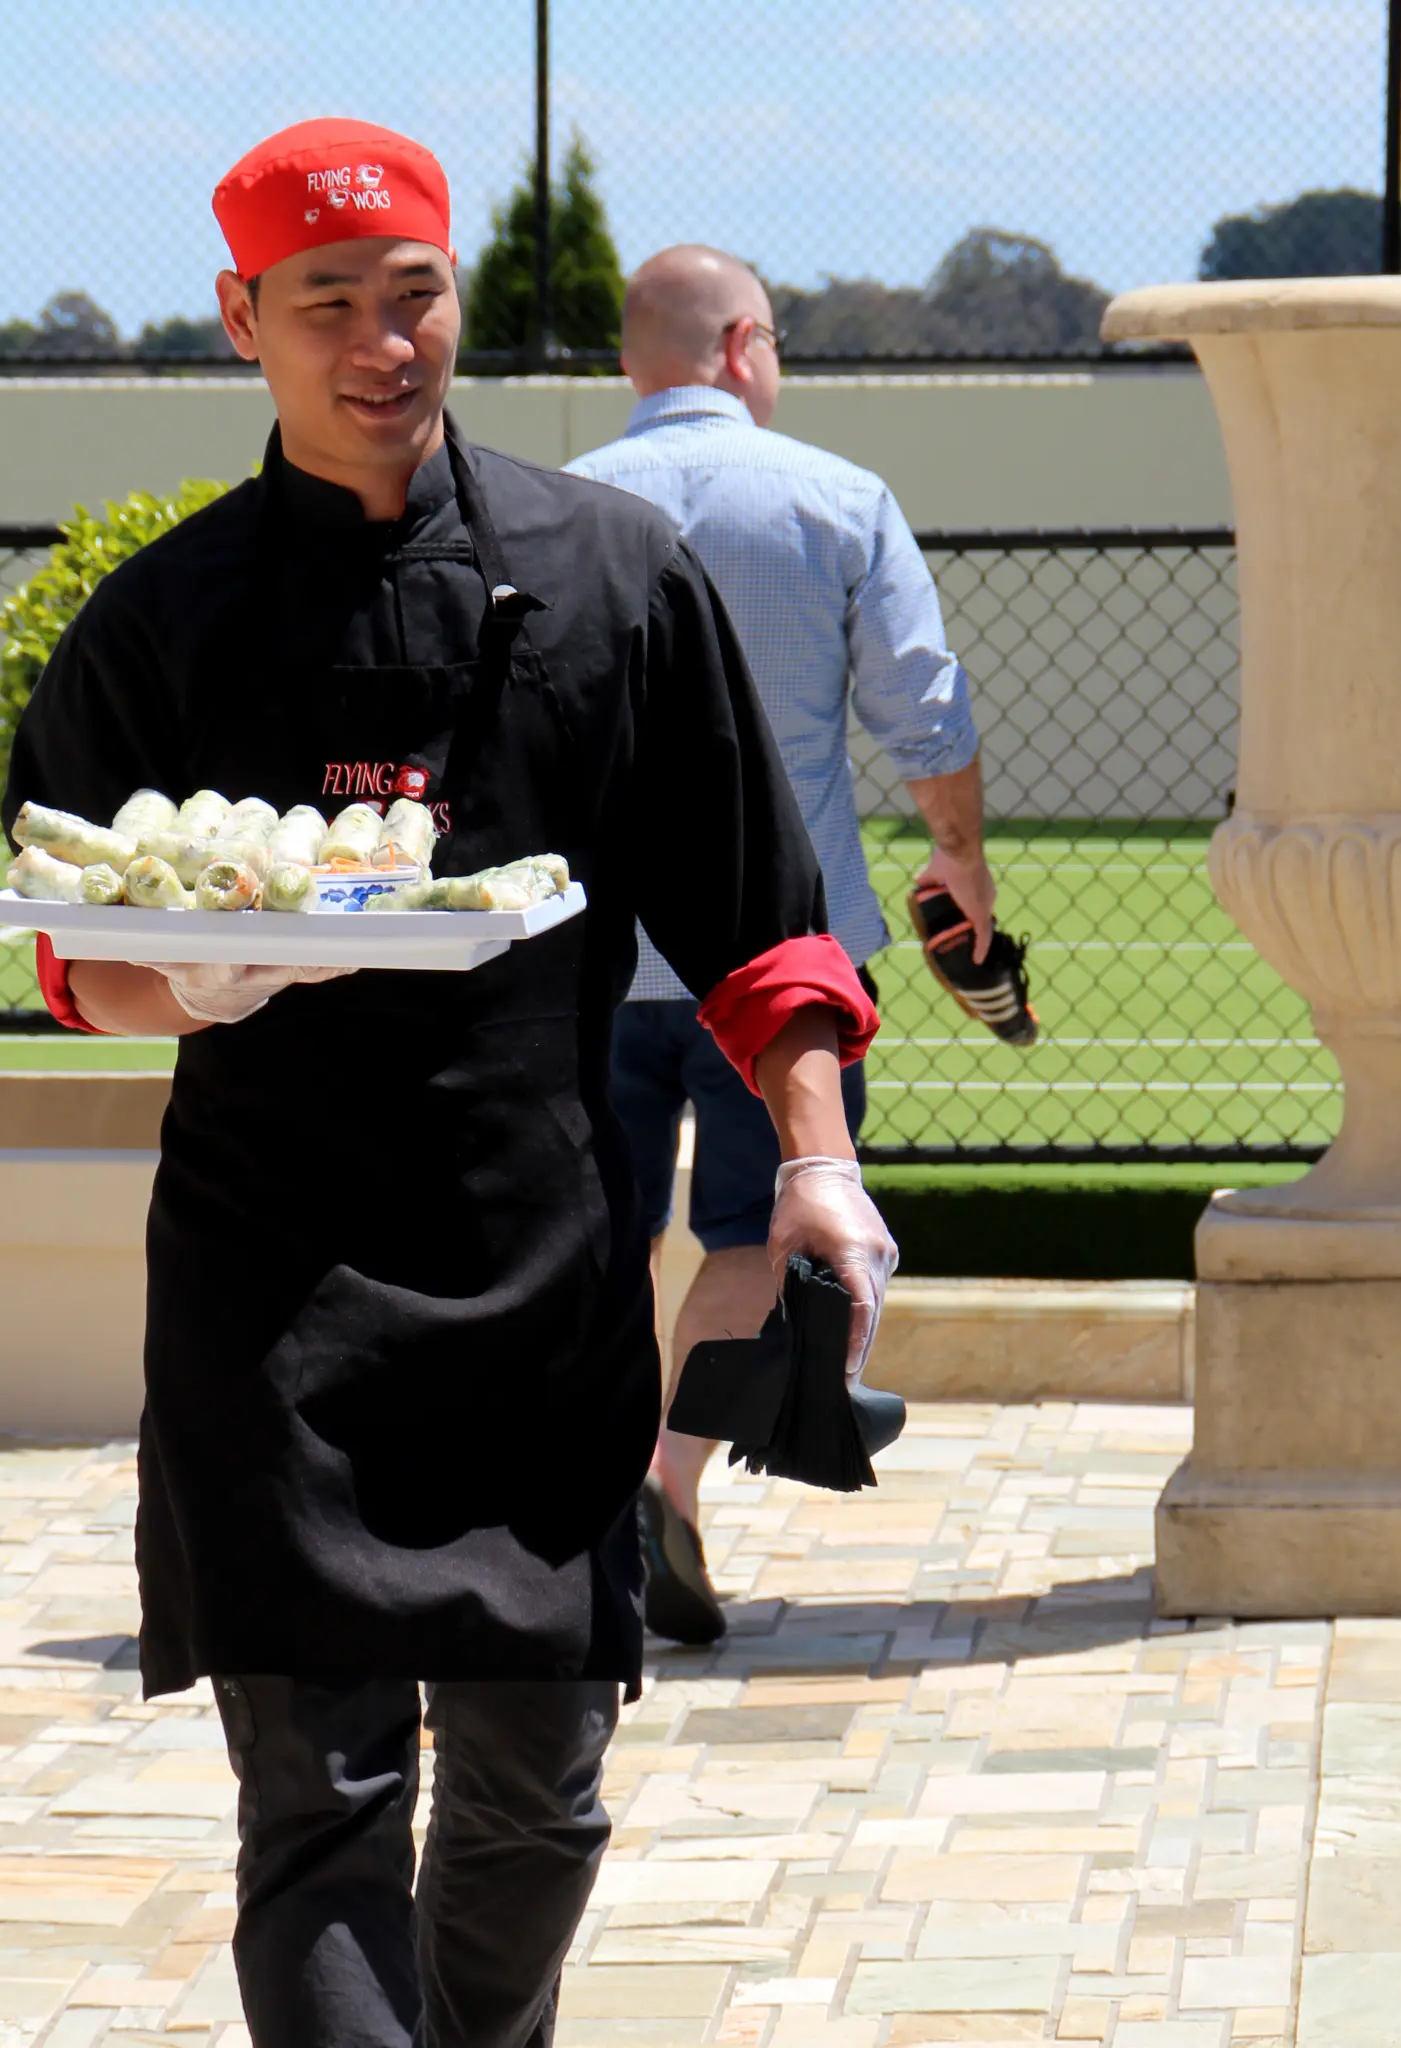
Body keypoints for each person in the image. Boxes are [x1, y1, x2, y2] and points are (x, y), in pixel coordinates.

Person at [3, 128, 895, 2048]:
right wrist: (192, 977)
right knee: (317, 1813)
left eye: (413, 294)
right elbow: (80, 962)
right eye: (327, 303)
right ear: (242, 320)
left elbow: (763, 927)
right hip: (271, 1301)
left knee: (539, 1796)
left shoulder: (611, 576)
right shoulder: (164, 620)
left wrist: (817, 1164)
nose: (380, 341)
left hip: (540, 1285)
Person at [568, 245, 1001, 1647]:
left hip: (588, 949)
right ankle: (666, 1483)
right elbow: (924, 706)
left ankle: (586, 1503)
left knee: (593, 1233)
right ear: (744, 343)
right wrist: (959, 858)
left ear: (634, 360)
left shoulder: (558, 506)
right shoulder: (837, 497)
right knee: (766, 1224)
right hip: (781, 962)